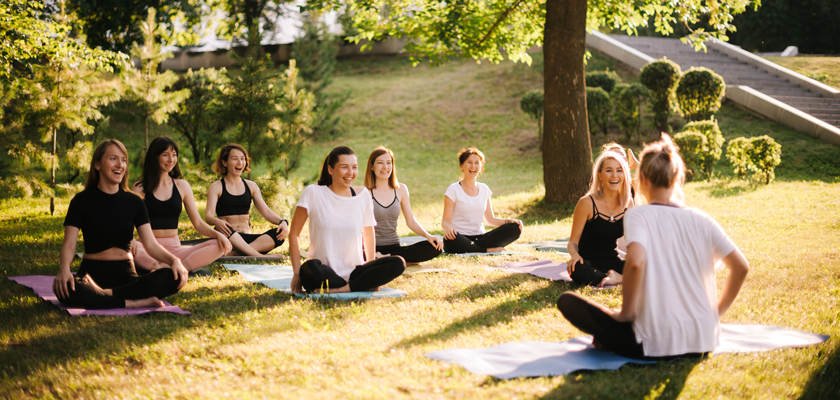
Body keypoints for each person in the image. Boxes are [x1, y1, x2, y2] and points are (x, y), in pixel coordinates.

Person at [557, 134, 750, 360]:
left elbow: (636, 263)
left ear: (643, 180)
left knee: (568, 302)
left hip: (655, 343)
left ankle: (613, 333)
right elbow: (741, 267)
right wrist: (714, 316)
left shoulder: (639, 214)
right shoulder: (703, 218)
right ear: (676, 177)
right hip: (703, 342)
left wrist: (625, 314)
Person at [53, 139, 188, 309]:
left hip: (126, 275)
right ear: (97, 164)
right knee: (66, 287)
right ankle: (133, 302)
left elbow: (151, 245)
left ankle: (104, 295)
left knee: (172, 276)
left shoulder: (135, 202)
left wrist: (174, 260)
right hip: (92, 273)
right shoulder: (81, 201)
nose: (120, 165)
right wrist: (64, 269)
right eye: (113, 159)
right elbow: (69, 244)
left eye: (123, 160)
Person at [289, 146, 406, 294]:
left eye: (354, 167)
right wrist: (297, 274)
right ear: (330, 169)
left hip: (354, 272)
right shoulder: (313, 192)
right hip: (323, 271)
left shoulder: (362, 194)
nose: (350, 173)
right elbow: (294, 234)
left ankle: (343, 288)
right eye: (344, 167)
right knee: (309, 268)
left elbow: (368, 233)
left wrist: (369, 269)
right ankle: (359, 285)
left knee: (398, 262)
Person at [131, 136, 232, 273]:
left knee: (219, 244)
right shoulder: (140, 188)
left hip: (175, 252)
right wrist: (130, 239)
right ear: (154, 157)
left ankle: (178, 268)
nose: (171, 160)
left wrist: (218, 235)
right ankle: (161, 269)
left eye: (174, 155)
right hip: (147, 248)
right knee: (126, 247)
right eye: (165, 155)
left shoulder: (182, 186)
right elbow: (129, 221)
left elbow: (198, 223)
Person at [205, 143, 289, 256]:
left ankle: (234, 254)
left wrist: (282, 222)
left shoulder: (251, 186)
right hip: (228, 236)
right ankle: (259, 256)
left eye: (243, 159)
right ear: (224, 163)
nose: (240, 162)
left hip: (247, 238)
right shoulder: (216, 186)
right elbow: (208, 216)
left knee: (278, 235)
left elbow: (266, 212)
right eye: (235, 159)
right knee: (226, 232)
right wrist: (216, 221)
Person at [566, 150, 634, 286]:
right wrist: (574, 255)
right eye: (609, 170)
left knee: (648, 266)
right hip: (588, 264)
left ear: (624, 175)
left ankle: (616, 278)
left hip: (613, 262)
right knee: (577, 269)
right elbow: (572, 242)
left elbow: (631, 242)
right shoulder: (586, 203)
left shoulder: (628, 203)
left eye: (619, 170)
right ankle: (611, 278)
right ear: (600, 175)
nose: (614, 175)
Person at [364, 146, 443, 264]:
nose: (385, 167)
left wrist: (428, 236)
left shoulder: (401, 189)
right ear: (372, 166)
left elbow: (410, 221)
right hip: (372, 248)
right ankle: (392, 260)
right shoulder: (365, 192)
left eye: (388, 163)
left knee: (435, 246)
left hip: (395, 248)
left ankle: (387, 258)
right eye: (380, 163)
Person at [441, 148, 523, 253]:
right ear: (462, 166)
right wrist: (448, 228)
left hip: (480, 238)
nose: (473, 166)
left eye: (477, 163)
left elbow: (490, 219)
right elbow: (445, 221)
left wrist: (509, 221)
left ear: (481, 167)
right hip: (459, 237)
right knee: (451, 241)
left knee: (515, 228)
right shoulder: (453, 189)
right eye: (469, 162)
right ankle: (487, 250)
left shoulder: (484, 189)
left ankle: (474, 248)